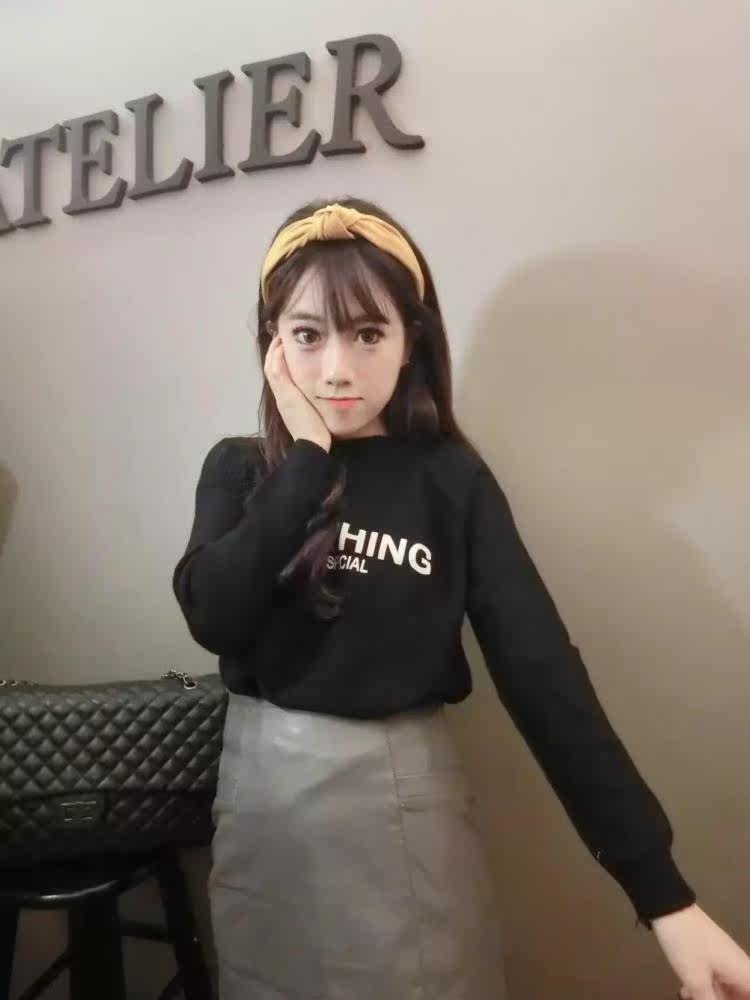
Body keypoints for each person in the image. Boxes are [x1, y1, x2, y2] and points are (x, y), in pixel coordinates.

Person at [172, 199, 750, 1000]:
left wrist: (664, 898)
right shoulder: (240, 469)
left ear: (411, 340)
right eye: (307, 335)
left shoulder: (449, 480)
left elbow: (544, 677)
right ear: (273, 343)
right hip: (261, 819)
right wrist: (307, 455)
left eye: (367, 333)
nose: (337, 369)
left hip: (401, 818)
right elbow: (214, 616)